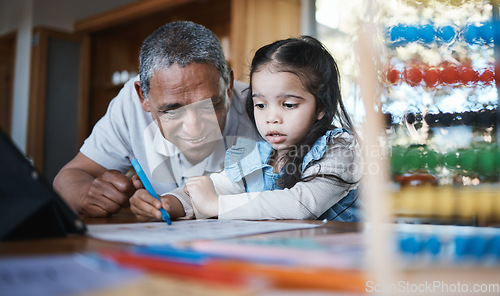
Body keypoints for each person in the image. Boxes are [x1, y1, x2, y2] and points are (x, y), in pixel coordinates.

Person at [131, 36, 362, 222]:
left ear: (321, 106)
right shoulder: (255, 153)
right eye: (260, 105)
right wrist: (168, 203)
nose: (271, 118)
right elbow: (217, 186)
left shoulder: (340, 149)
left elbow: (300, 205)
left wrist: (216, 205)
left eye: (289, 105)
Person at [53, 21, 259, 217]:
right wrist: (86, 194)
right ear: (143, 97)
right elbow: (69, 176)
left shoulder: (262, 107)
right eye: (172, 110)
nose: (194, 129)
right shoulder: (129, 106)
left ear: (229, 85)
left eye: (210, 105)